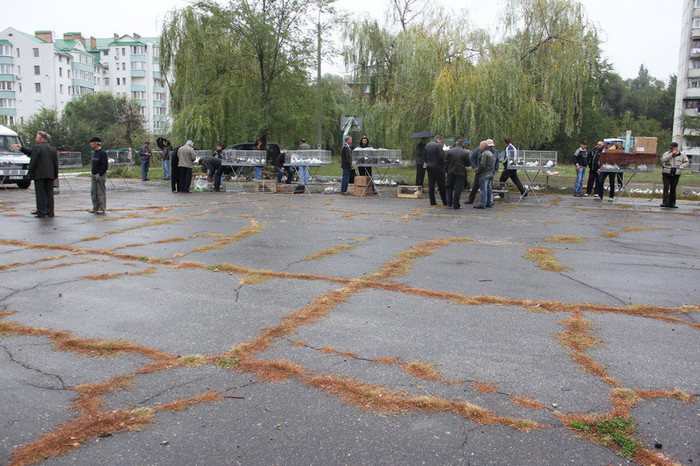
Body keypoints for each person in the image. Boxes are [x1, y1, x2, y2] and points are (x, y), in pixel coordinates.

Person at [27, 131, 59, 218]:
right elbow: (55, 163)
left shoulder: (37, 147)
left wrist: (29, 173)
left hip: (39, 175)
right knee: (49, 194)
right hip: (50, 175)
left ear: (40, 139)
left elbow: (33, 162)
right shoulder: (53, 149)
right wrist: (55, 174)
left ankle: (41, 212)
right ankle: (50, 212)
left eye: (36, 137)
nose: (35, 139)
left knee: (40, 194)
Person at [660, 142, 690, 208]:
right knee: (666, 188)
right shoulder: (666, 153)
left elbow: (686, 162)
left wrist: (682, 167)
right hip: (666, 173)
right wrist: (671, 154)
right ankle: (665, 203)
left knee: (673, 188)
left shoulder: (682, 155)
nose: (670, 149)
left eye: (672, 148)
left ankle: (672, 203)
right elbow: (663, 160)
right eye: (670, 148)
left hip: (676, 173)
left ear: (676, 148)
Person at [444, 138, 470, 209]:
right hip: (460, 173)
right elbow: (468, 163)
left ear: (456, 144)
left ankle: (449, 203)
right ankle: (456, 204)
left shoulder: (450, 152)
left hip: (450, 172)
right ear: (463, 145)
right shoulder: (465, 153)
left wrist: (446, 170)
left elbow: (446, 162)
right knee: (457, 189)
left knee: (449, 188)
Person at [424, 134, 447, 206]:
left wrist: (428, 162)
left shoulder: (427, 145)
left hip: (429, 166)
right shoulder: (439, 146)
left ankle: (432, 201)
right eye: (441, 141)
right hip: (437, 167)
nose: (441, 142)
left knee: (431, 184)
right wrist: (443, 165)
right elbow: (441, 157)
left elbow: (424, 157)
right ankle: (445, 201)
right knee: (441, 184)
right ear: (439, 139)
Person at [88, 137, 108, 214]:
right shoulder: (94, 153)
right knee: (93, 192)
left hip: (100, 175)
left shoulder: (102, 153)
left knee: (100, 192)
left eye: (92, 142)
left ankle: (102, 208)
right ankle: (95, 207)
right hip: (93, 174)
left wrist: (100, 174)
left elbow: (105, 165)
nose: (90, 144)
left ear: (96, 143)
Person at [474, 140, 495, 209]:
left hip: (484, 173)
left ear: (483, 146)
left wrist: (478, 172)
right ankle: (489, 202)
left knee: (483, 189)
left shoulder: (484, 154)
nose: (479, 147)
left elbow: (482, 164)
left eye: (480, 146)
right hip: (490, 173)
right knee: (489, 188)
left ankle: (482, 203)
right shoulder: (490, 153)